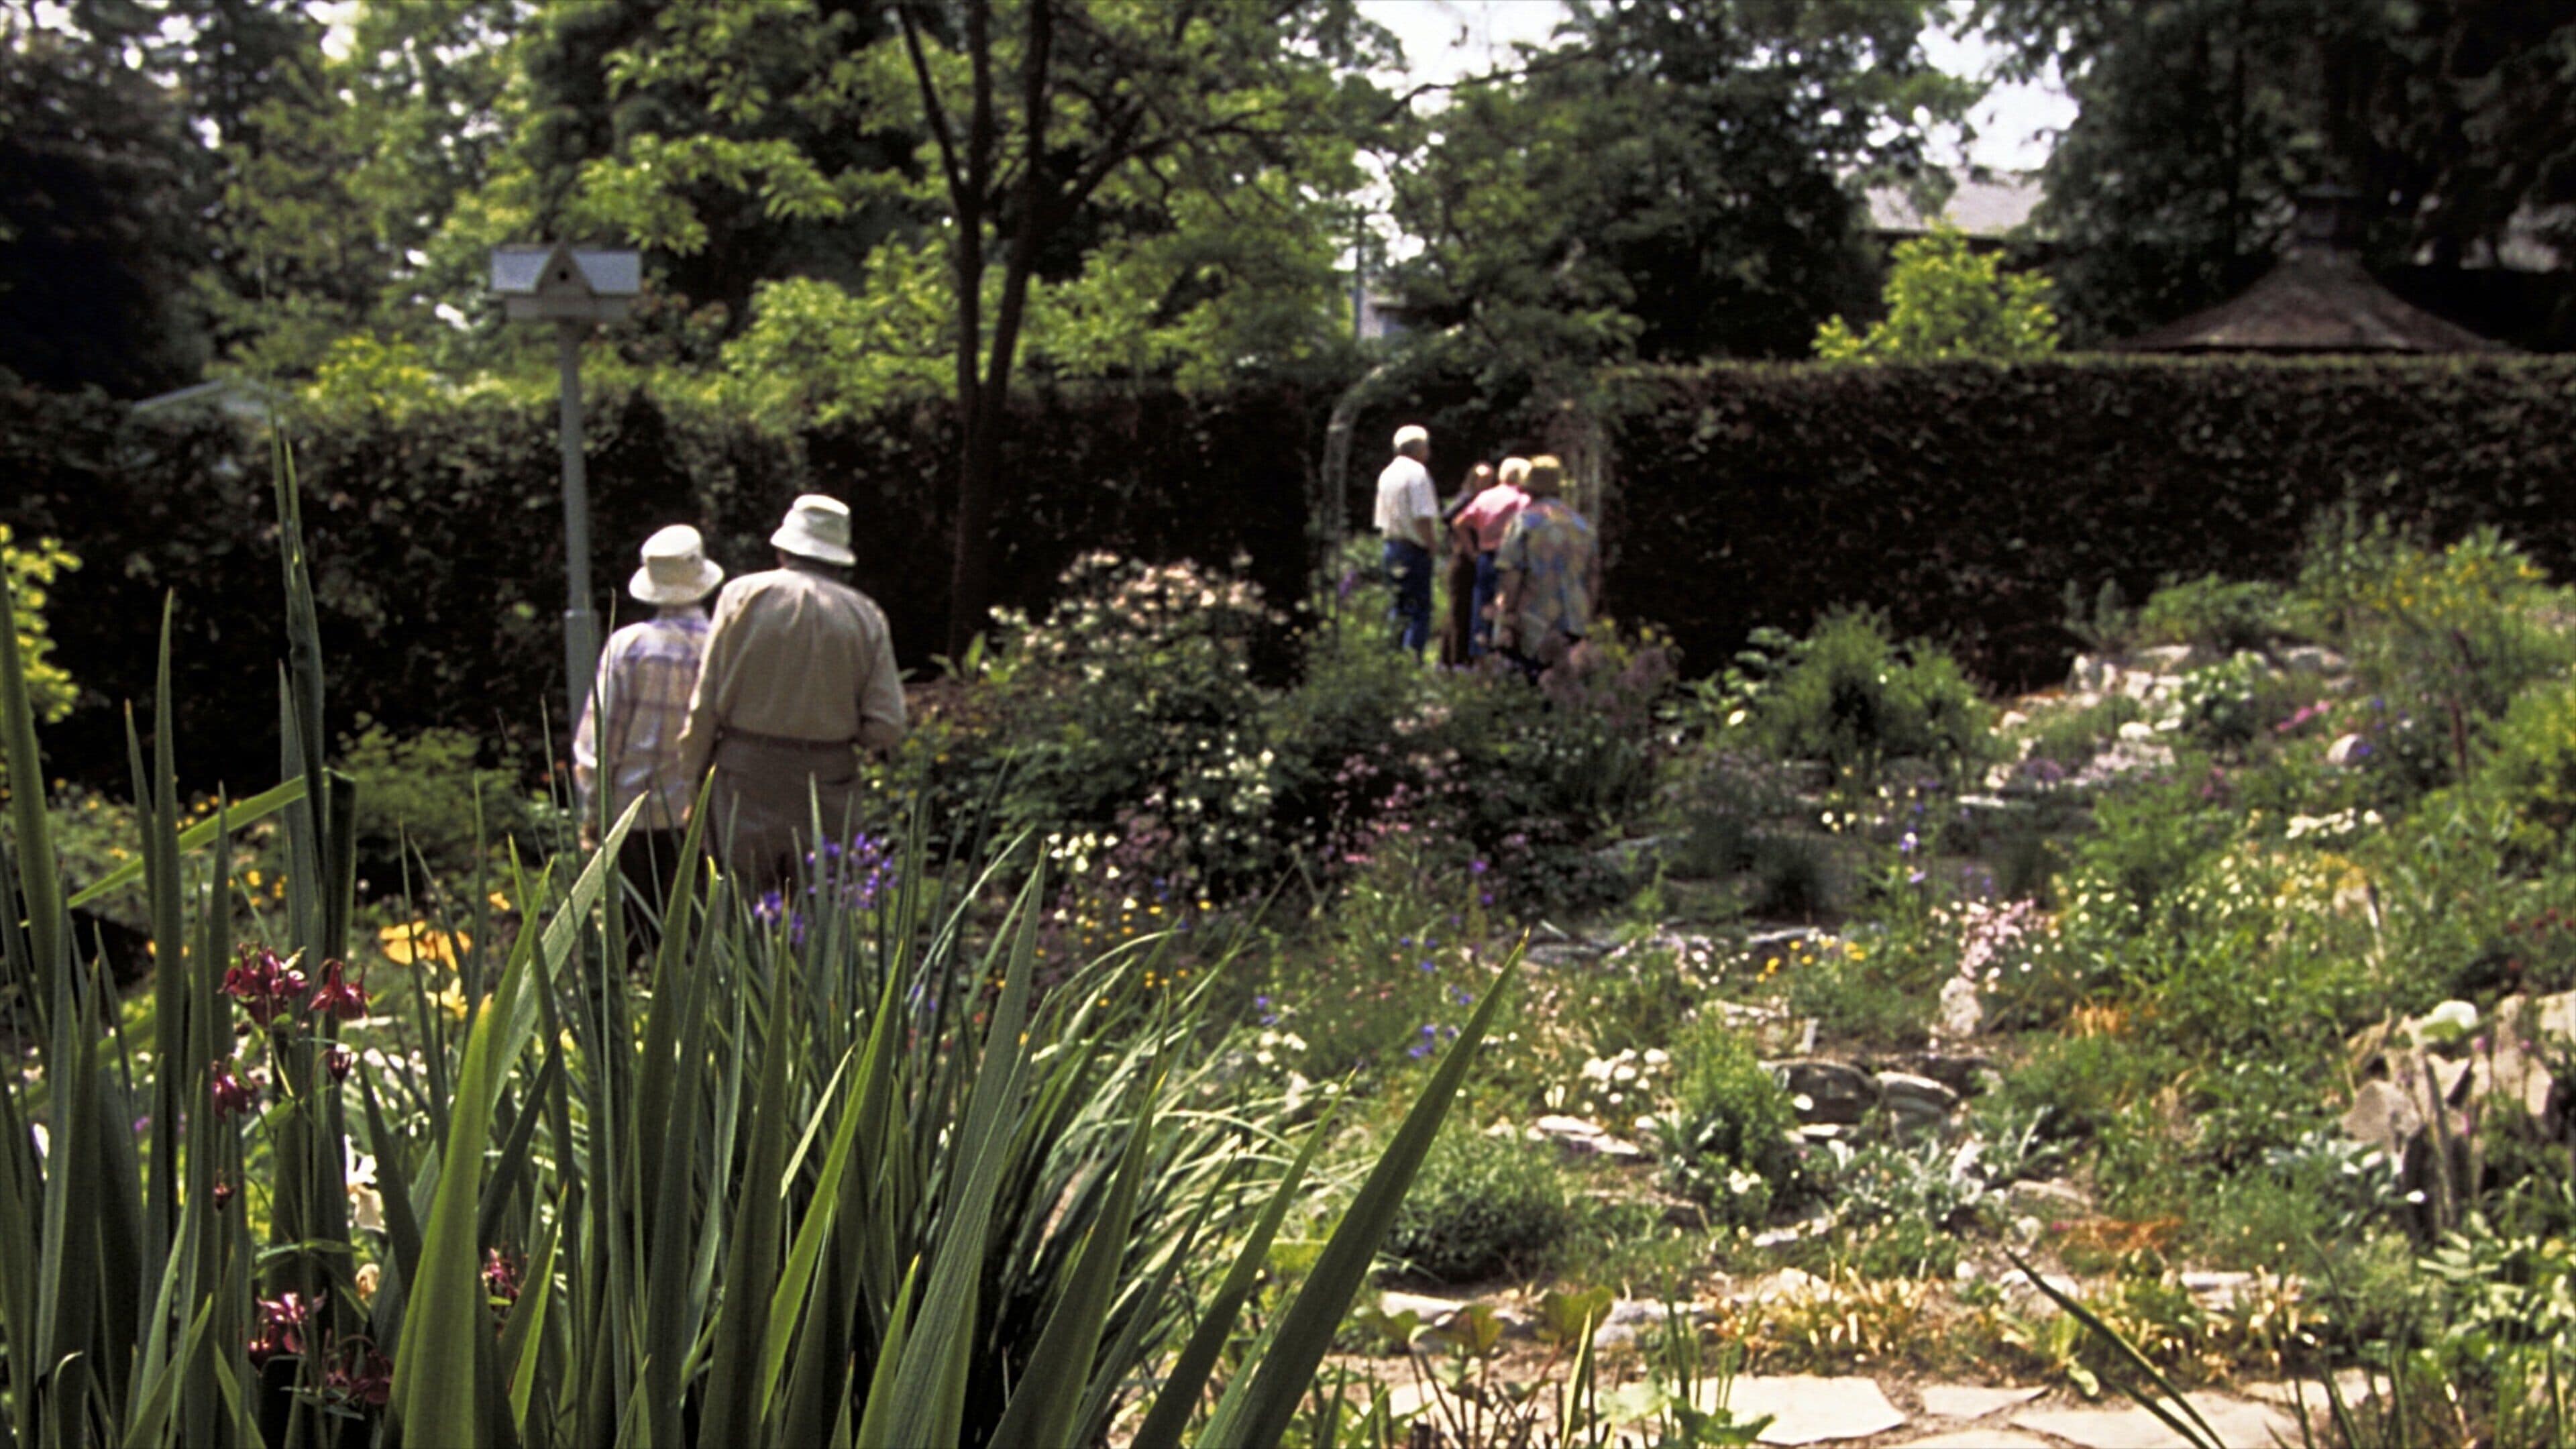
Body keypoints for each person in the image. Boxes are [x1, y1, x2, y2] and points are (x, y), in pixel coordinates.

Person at [675, 494, 906, 891]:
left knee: (737, 917)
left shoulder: (740, 596)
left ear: (783, 548)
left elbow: (705, 705)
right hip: (827, 781)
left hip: (744, 777)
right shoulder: (865, 615)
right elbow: (887, 725)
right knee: (820, 921)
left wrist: (693, 780)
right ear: (838, 558)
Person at [574, 524, 723, 948]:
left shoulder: (628, 646)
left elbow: (598, 743)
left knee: (634, 929)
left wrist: (592, 813)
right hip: (697, 812)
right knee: (690, 934)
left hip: (631, 813)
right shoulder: (720, 645)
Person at [1493, 455, 1599, 682]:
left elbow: (1513, 572)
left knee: (1530, 687)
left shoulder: (1525, 522)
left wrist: (1507, 616)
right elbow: (1592, 578)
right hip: (1574, 620)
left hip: (1535, 619)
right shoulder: (1582, 525)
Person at [1453, 455, 1530, 659]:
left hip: (1485, 557)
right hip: (1511, 560)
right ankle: (1504, 660)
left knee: (1482, 608)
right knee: (1509, 611)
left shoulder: (1485, 496)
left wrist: (1472, 551)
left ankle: (1478, 658)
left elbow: (1459, 523)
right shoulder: (1522, 500)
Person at [1373, 423, 1438, 655]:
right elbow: (1422, 517)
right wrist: (1432, 545)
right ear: (1419, 448)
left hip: (1392, 546)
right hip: (1414, 548)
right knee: (1418, 611)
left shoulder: (1387, 473)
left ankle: (1393, 661)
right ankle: (1412, 664)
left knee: (1397, 608)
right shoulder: (1417, 473)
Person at [1438, 462, 1491, 667]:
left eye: (1489, 479)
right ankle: (1454, 660)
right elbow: (1449, 517)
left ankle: (1458, 659)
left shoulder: (1485, 500)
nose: (1486, 484)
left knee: (1469, 609)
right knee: (1459, 609)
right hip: (1463, 560)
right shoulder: (1467, 499)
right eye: (1482, 480)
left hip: (1472, 559)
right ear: (1473, 480)